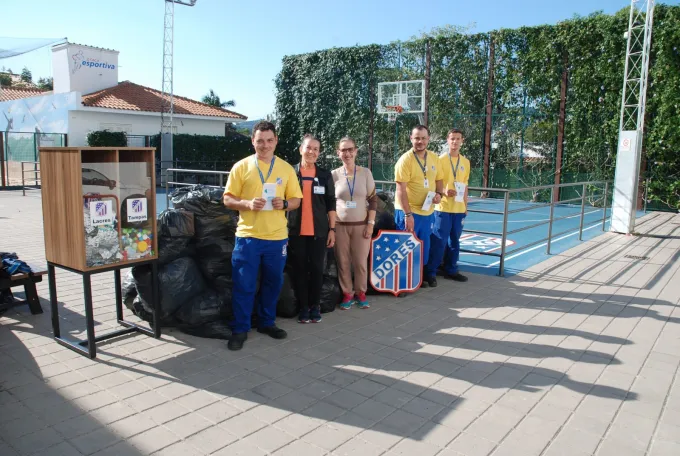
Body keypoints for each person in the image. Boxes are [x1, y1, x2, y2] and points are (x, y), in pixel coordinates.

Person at [223, 121, 302, 351]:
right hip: (248, 237)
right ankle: (240, 328)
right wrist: (247, 203)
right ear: (253, 141)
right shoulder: (241, 167)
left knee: (272, 282)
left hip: (277, 239)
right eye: (260, 141)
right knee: (243, 285)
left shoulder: (286, 169)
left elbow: (296, 200)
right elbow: (227, 199)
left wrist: (285, 203)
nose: (265, 145)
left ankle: (267, 323)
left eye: (269, 140)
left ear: (276, 141)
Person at [288, 134, 337, 323]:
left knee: (317, 269)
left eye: (316, 149)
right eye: (308, 148)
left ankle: (315, 305)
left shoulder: (325, 175)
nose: (311, 152)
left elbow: (331, 203)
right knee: (299, 269)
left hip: (319, 231)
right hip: (296, 230)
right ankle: (303, 307)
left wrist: (332, 229)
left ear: (319, 153)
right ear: (301, 149)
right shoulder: (291, 172)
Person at [394, 125, 444, 288]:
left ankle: (419, 277)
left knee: (424, 246)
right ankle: (402, 281)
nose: (420, 141)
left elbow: (439, 180)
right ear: (411, 139)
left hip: (427, 211)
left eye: (423, 138)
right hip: (408, 212)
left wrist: (439, 194)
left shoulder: (435, 158)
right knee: (406, 246)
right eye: (417, 138)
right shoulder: (405, 160)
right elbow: (400, 190)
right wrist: (408, 215)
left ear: (428, 139)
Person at [332, 137, 377, 310]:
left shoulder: (365, 173)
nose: (347, 153)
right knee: (343, 261)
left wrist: (370, 224)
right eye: (343, 150)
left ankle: (361, 292)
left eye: (350, 149)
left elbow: (373, 200)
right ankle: (347, 294)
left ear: (356, 151)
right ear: (338, 153)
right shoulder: (334, 175)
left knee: (359, 261)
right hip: (340, 227)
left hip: (361, 226)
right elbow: (330, 203)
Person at [425, 128, 470, 283]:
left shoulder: (465, 162)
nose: (455, 142)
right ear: (447, 140)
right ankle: (431, 272)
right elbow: (435, 181)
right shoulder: (440, 160)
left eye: (458, 139)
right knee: (439, 241)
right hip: (443, 208)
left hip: (458, 209)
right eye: (452, 139)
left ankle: (451, 269)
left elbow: (465, 185)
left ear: (462, 141)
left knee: (455, 241)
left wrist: (465, 205)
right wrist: (444, 190)